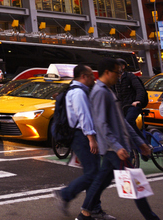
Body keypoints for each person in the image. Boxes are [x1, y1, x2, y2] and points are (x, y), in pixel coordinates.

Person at [79, 58, 157, 220]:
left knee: (101, 181)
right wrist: (117, 146)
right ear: (107, 72)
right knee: (135, 185)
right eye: (117, 72)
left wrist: (139, 143)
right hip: (115, 149)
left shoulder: (108, 90)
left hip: (114, 148)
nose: (119, 75)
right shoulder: (100, 92)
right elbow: (101, 124)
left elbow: (121, 122)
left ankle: (84, 213)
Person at [54, 65, 103, 217]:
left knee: (93, 172)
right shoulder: (78, 93)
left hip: (81, 136)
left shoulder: (75, 90)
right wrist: (91, 138)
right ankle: (65, 194)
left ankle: (94, 208)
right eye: (91, 75)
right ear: (83, 76)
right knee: (93, 173)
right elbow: (83, 116)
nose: (93, 78)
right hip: (81, 136)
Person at [114, 58, 148, 136]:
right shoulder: (115, 80)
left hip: (133, 105)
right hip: (122, 106)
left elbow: (139, 89)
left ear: (123, 67)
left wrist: (138, 100)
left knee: (129, 122)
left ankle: (142, 141)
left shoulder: (130, 76)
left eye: (117, 66)